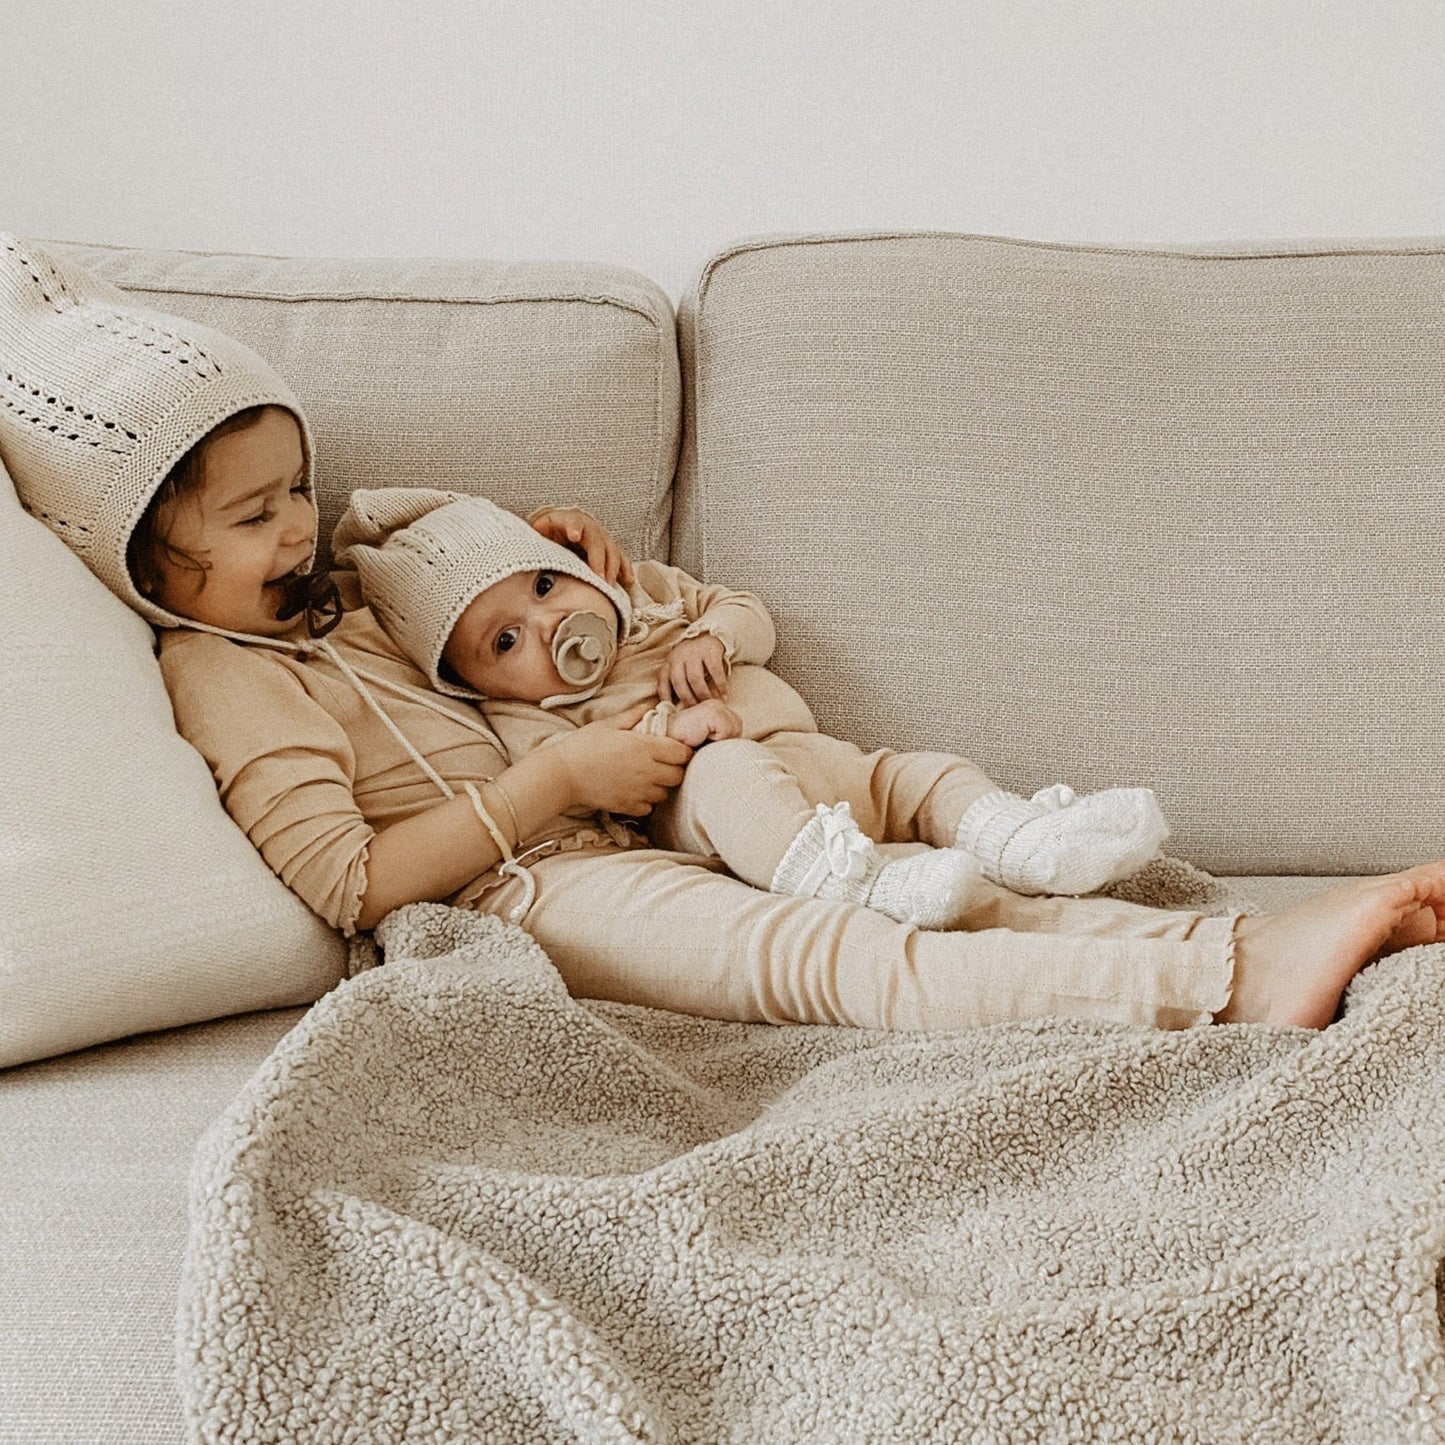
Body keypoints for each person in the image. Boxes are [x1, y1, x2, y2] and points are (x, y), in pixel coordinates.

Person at [6, 231, 1445, 1036]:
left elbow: (419, 537)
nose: (302, 529)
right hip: (528, 889)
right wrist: (555, 789)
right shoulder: (220, 670)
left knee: (913, 882)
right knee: (819, 955)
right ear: (143, 558)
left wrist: (547, 550)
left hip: (642, 805)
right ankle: (1228, 982)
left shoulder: (348, 577)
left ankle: (1242, 938)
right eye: (255, 519)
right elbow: (349, 879)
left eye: (299, 489)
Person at [329, 485, 1172, 931]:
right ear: (471, 683)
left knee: (915, 772)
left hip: (820, 760)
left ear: (571, 562)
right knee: (729, 769)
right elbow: (602, 794)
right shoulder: (528, 722)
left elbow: (745, 609)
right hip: (716, 801)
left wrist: (716, 643)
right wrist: (679, 734)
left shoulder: (647, 594)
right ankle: (859, 888)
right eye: (503, 642)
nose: (547, 625)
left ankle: (1020, 841)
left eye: (545, 584)